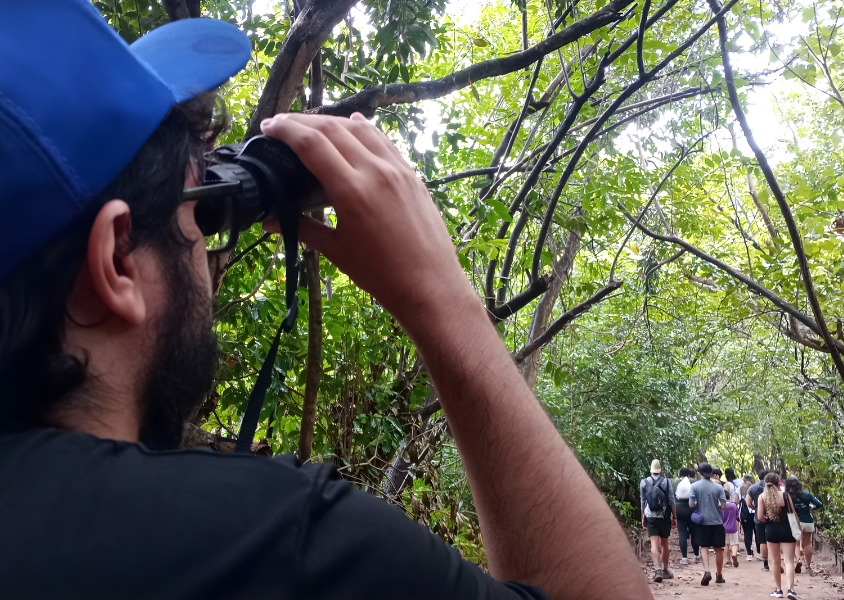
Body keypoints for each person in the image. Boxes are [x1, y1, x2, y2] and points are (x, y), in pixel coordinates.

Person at [0, 3, 654, 599]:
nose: (205, 249)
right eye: (199, 212)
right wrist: (447, 304)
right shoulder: (277, 545)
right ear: (117, 259)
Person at [758, 473, 801, 600]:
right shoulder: (785, 495)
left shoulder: (762, 497)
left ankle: (778, 590)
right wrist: (798, 529)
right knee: (788, 561)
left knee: (775, 561)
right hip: (787, 529)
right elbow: (793, 513)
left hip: (771, 529)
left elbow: (760, 517)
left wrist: (769, 519)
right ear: (778, 482)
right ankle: (791, 590)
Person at [689, 462, 727, 586]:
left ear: (700, 473)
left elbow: (691, 504)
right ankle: (719, 575)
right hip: (716, 522)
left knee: (704, 547)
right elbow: (723, 506)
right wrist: (715, 505)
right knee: (718, 549)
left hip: (702, 522)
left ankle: (707, 571)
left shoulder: (694, 486)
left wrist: (699, 503)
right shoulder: (719, 487)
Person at [641, 459, 677, 582]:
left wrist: (643, 517)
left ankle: (657, 571)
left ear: (651, 470)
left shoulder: (644, 482)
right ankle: (665, 570)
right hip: (664, 516)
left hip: (650, 516)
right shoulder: (667, 482)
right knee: (664, 544)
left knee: (654, 544)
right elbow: (671, 500)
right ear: (660, 470)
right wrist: (674, 517)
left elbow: (642, 501)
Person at [785, 476, 822, 573]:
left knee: (796, 543)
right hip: (808, 521)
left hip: (795, 522)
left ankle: (798, 561)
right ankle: (808, 566)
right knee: (808, 543)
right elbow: (819, 504)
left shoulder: (788, 496)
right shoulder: (806, 494)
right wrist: (811, 508)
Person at [674, 467, 701, 564]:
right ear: (689, 474)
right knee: (694, 532)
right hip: (691, 509)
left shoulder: (675, 482)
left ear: (679, 474)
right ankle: (696, 555)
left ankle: (684, 558)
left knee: (682, 532)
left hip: (679, 509)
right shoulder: (693, 482)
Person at [747, 469, 772, 571]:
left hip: (759, 516)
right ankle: (776, 561)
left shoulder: (753, 488)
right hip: (772, 515)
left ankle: (765, 564)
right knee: (773, 539)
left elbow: (748, 503)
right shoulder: (774, 488)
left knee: (762, 540)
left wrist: (756, 508)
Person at [721, 488, 740, 568]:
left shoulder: (720, 507)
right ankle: (734, 554)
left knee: (726, 545)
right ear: (729, 497)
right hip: (733, 528)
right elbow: (737, 515)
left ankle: (728, 561)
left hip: (723, 528)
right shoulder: (733, 505)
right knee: (734, 543)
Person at [739, 474, 757, 561]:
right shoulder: (754, 488)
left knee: (747, 533)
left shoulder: (739, 489)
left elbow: (736, 501)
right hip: (754, 512)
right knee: (757, 533)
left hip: (744, 514)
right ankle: (760, 552)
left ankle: (749, 554)